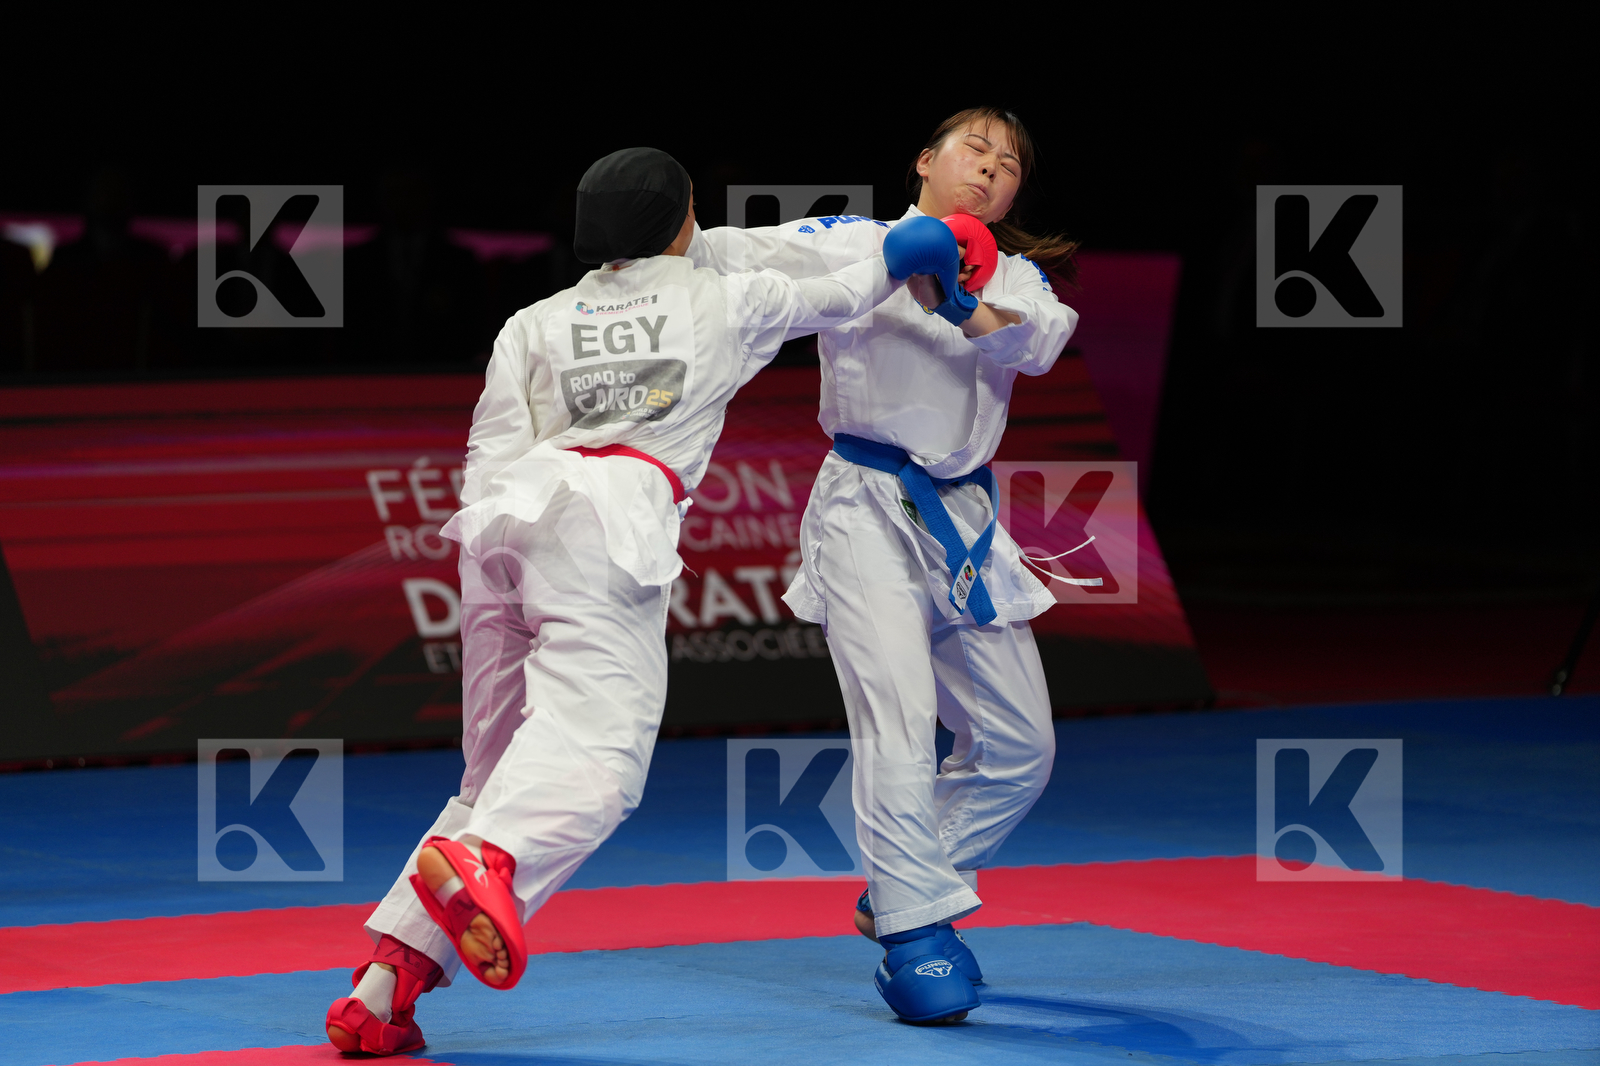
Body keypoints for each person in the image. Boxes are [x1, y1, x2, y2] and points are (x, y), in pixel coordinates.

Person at [322, 146, 934, 1055]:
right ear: (682, 220)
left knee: (492, 783)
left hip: (497, 528)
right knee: (601, 767)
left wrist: (507, 551)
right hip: (604, 530)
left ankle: (383, 994)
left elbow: (488, 449)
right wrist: (937, 236)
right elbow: (851, 289)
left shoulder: (533, 318)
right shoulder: (722, 298)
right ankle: (492, 862)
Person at [688, 107, 1079, 1024]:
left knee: (1022, 749)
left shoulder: (1016, 274)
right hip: (863, 506)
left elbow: (1042, 339)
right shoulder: (852, 243)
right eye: (973, 151)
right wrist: (668, 222)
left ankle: (903, 885)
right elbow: (728, 253)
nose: (989, 171)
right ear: (924, 160)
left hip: (967, 522)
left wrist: (959, 300)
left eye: (1009, 165)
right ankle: (915, 932)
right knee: (899, 722)